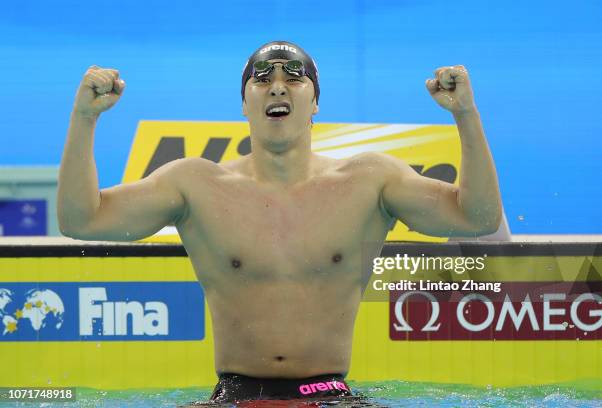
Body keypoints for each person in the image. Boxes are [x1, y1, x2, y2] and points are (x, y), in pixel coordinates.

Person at [57, 41, 502, 403]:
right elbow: (82, 220)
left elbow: (477, 217)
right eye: (262, 78)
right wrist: (84, 118)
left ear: (315, 103)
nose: (277, 88)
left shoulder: (370, 180)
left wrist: (465, 114)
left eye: (294, 77)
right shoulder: (195, 183)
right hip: (235, 395)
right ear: (244, 103)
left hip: (329, 394)